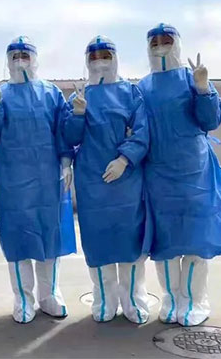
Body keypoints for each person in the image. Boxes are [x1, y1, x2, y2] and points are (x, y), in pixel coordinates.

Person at [138, 23, 221, 326]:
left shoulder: (191, 79)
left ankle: (196, 301)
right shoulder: (142, 88)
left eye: (166, 40)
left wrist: (203, 88)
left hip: (195, 172)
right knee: (166, 243)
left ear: (177, 43)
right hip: (158, 174)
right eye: (155, 41)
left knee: (197, 240)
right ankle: (172, 300)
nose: (160, 46)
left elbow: (211, 120)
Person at [0, 36, 76, 324]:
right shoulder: (0, 93)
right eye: (15, 56)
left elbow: (62, 130)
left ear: (35, 59)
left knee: (49, 237)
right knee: (18, 238)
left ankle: (49, 295)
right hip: (12, 179)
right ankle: (23, 298)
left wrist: (66, 161)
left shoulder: (50, 93)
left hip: (47, 178)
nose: (20, 61)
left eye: (25, 55)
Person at [63, 36, 150, 324]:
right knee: (98, 241)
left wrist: (124, 159)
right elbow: (69, 137)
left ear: (115, 58)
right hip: (92, 182)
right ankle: (104, 299)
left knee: (129, 240)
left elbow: (142, 131)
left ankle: (134, 300)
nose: (100, 61)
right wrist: (78, 114)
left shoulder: (131, 93)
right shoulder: (79, 96)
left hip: (127, 182)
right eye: (94, 56)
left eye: (105, 55)